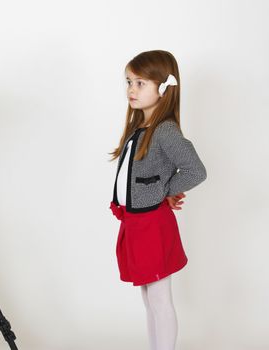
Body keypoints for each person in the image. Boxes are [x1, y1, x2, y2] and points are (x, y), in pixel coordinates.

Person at [109, 50, 207, 350]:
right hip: (136, 223)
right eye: (129, 82)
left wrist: (165, 191)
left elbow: (196, 170)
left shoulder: (165, 131)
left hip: (152, 224)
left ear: (163, 88)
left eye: (141, 83)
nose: (131, 90)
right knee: (149, 298)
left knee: (160, 299)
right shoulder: (140, 128)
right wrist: (164, 188)